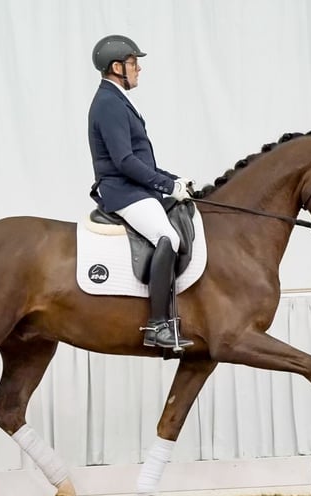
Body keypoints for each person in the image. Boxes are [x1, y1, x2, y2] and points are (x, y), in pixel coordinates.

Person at [88, 34, 193, 350]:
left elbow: (140, 159)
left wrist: (173, 180)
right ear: (117, 66)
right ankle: (157, 325)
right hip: (123, 191)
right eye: (134, 63)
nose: (139, 69)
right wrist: (166, 186)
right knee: (169, 238)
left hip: (135, 188)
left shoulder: (117, 99)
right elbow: (124, 161)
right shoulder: (108, 103)